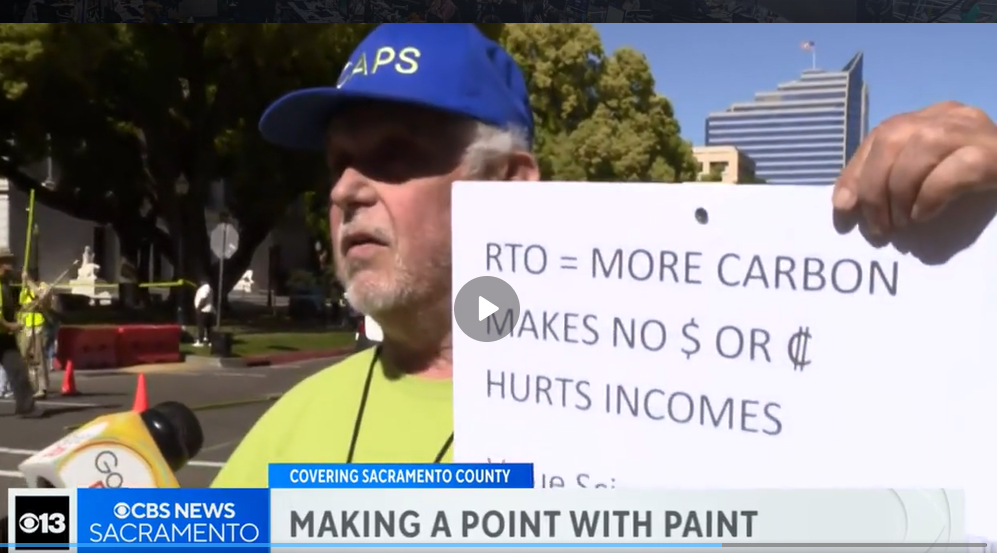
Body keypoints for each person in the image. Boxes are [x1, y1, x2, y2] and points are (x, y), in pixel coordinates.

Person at [212, 24, 997, 487]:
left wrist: (973, 220)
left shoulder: (673, 394)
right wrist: (93, 508)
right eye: (336, 163)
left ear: (512, 184)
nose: (348, 187)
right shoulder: (294, 420)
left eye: (392, 153)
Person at [0, 249, 38, 416]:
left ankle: (26, 407)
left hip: (4, 338)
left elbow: (16, 307)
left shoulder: (6, 285)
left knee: (18, 370)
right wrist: (10, 325)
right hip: (4, 331)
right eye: (6, 262)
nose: (10, 266)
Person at [18, 267, 50, 399]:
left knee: (39, 357)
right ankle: (30, 385)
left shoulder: (43, 286)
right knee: (24, 356)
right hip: (26, 326)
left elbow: (42, 297)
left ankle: (42, 387)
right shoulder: (23, 290)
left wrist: (29, 282)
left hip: (38, 325)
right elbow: (23, 306)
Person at [193, 280, 214, 347]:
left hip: (204, 310)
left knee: (201, 325)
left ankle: (200, 341)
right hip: (208, 309)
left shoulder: (205, 287)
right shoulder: (209, 288)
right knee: (208, 327)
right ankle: (210, 340)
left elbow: (204, 297)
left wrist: (199, 307)